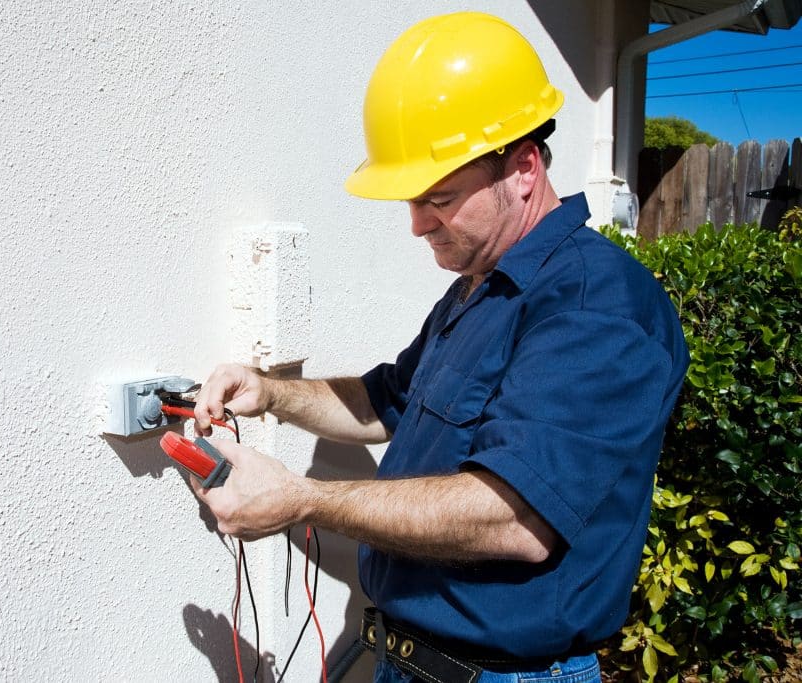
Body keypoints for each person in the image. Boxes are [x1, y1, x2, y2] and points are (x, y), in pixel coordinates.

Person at [191, 12, 689, 683]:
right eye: (412, 200)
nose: (418, 224)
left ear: (523, 168)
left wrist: (300, 498)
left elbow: (513, 518)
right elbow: (381, 401)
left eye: (440, 198)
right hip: (412, 661)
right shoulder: (483, 287)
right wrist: (271, 391)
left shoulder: (593, 304)